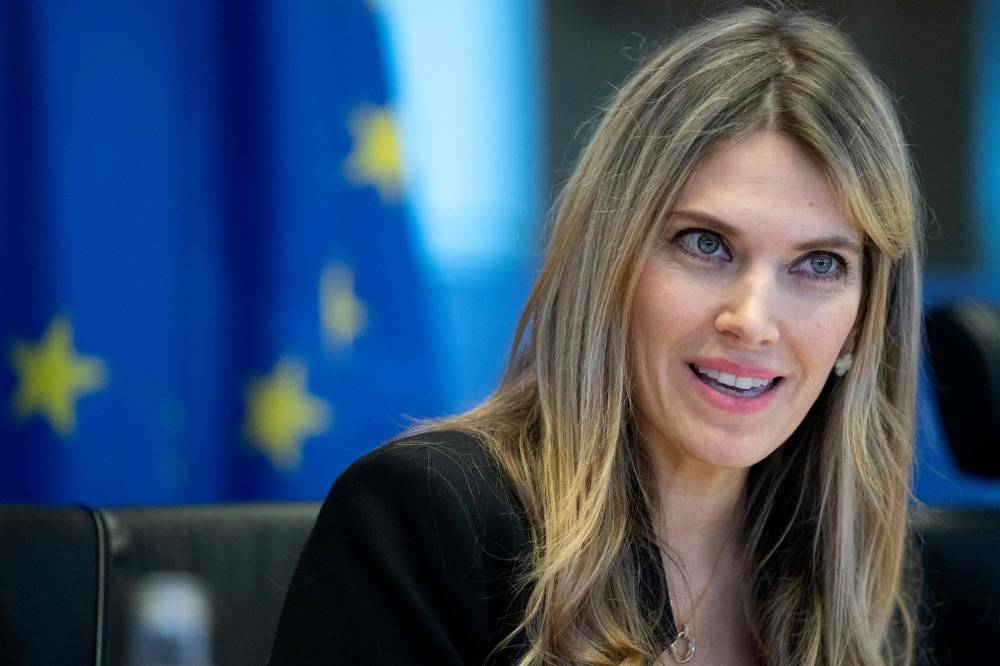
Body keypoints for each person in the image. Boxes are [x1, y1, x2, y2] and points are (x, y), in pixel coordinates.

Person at [270, 5, 923, 665]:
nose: (752, 320)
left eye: (820, 264)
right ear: (611, 261)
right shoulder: (428, 522)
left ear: (863, 320)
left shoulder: (865, 583)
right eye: (706, 244)